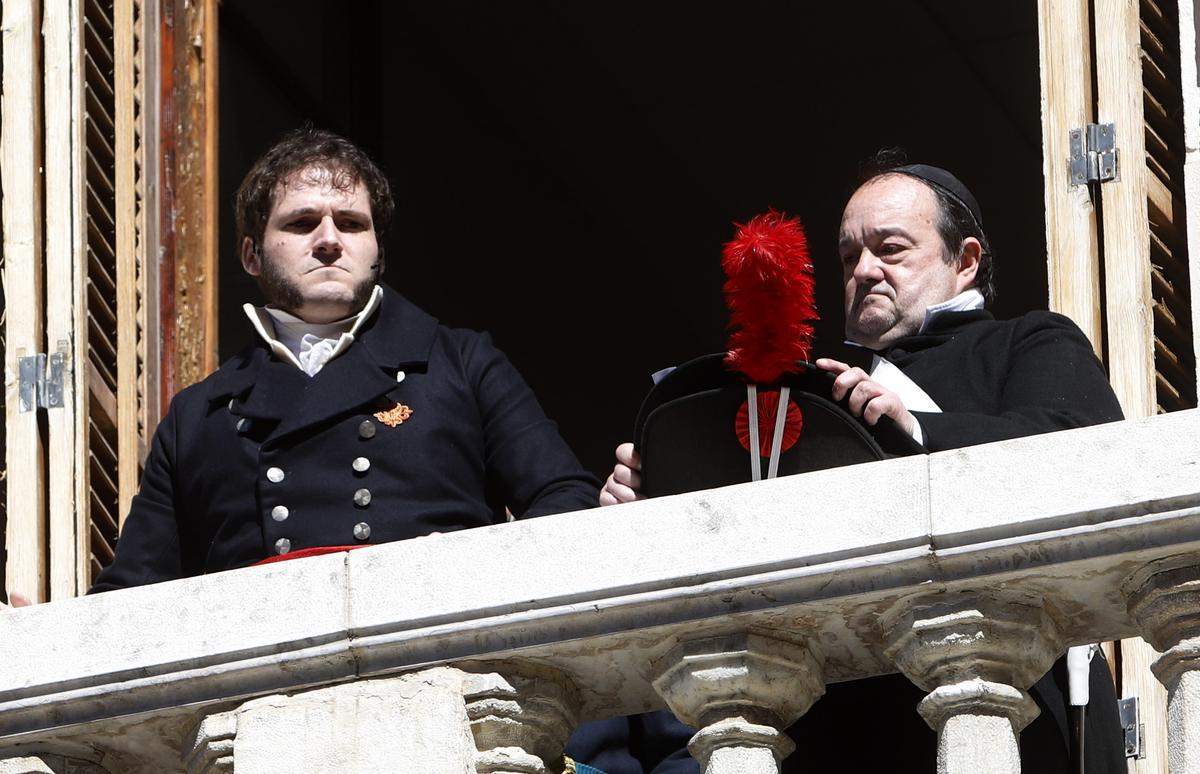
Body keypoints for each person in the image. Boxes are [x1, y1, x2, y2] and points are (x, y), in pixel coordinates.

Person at [597, 153, 1126, 772]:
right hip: (835, 723)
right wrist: (653, 498)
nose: (864, 271)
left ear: (966, 261)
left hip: (994, 707)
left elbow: (1083, 450)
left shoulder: (1027, 340)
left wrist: (913, 427)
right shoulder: (814, 392)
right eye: (850, 256)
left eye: (891, 248)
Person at [0, 127, 600, 596]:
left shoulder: (462, 362)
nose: (330, 238)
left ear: (377, 252)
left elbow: (564, 502)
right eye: (302, 222)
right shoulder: (198, 415)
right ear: (252, 255)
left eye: (352, 223)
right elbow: (133, 591)